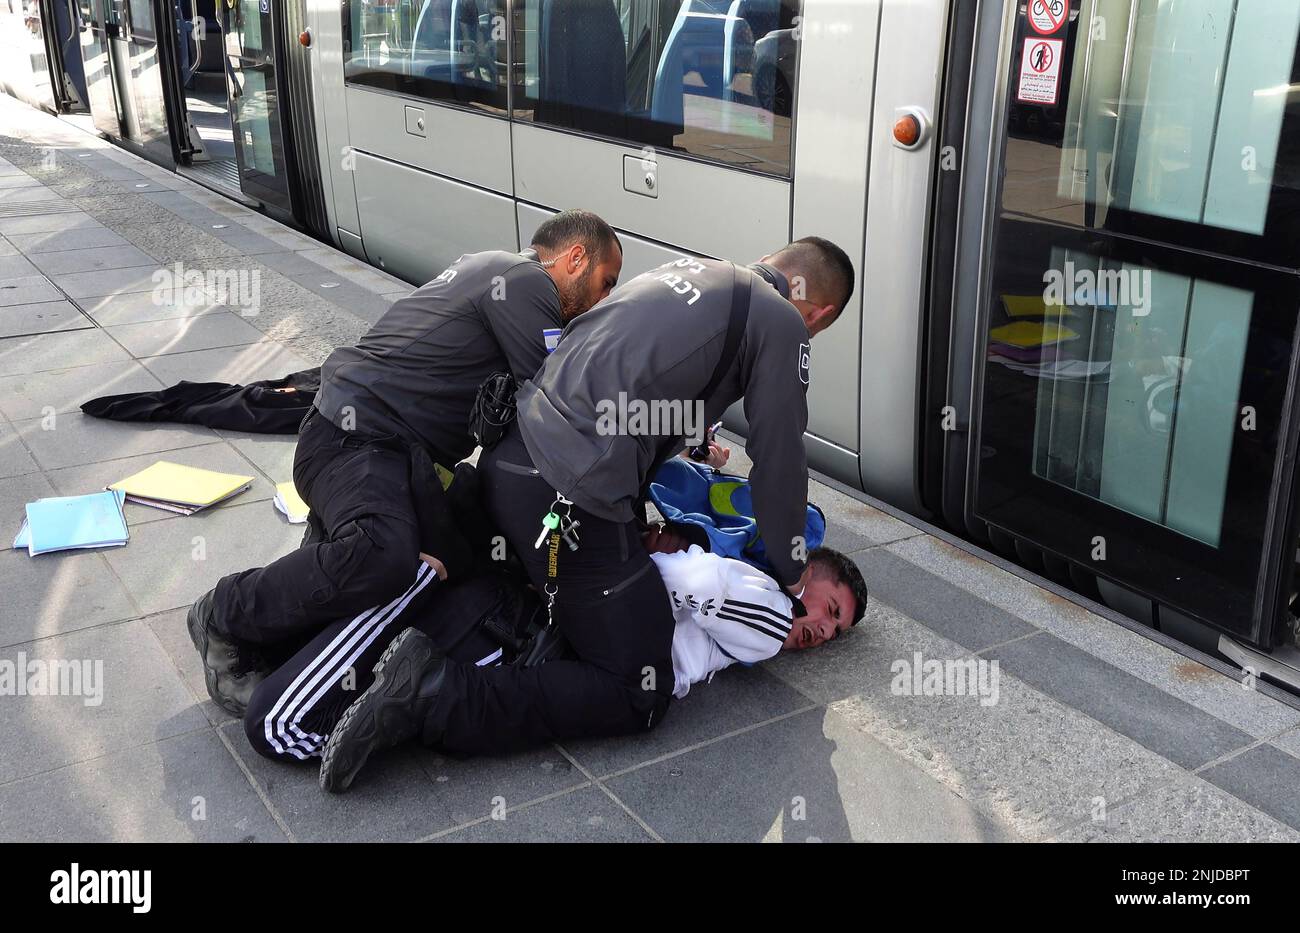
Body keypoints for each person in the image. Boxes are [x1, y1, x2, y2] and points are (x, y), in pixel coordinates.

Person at [317, 236, 857, 791]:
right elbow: (780, 458)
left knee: (555, 590)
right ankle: (432, 695)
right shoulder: (784, 323)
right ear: (821, 313)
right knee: (639, 689)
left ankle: (330, 657)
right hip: (565, 492)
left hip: (512, 457)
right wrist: (791, 569)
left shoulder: (694, 271)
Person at [186, 210, 624, 715]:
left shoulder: (493, 268)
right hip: (356, 439)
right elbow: (558, 401)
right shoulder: (527, 283)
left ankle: (291, 626)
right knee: (383, 554)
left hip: (384, 453)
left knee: (444, 560)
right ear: (575, 259)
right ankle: (221, 611)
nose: (604, 299)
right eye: (605, 283)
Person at [243, 537, 867, 765]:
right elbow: (692, 584)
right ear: (802, 574)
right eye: (828, 608)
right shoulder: (771, 612)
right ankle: (429, 691)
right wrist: (618, 585)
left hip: (524, 600)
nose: (820, 629)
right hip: (551, 630)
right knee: (285, 729)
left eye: (834, 632)